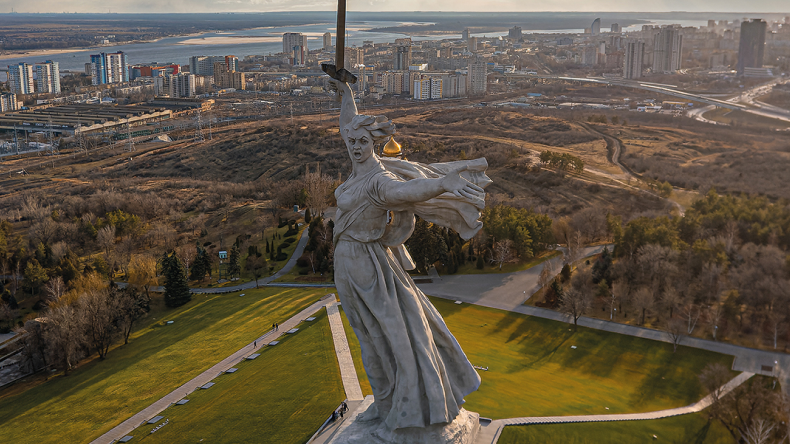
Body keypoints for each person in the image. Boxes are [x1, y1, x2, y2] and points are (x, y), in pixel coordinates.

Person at [327, 80, 488, 432]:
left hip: (369, 264)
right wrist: (346, 94)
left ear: (374, 146)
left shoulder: (378, 180)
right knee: (367, 336)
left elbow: (407, 191)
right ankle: (384, 402)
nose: (355, 147)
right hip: (346, 262)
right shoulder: (357, 167)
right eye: (352, 142)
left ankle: (410, 406)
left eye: (363, 142)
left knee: (393, 333)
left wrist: (443, 184)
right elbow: (347, 124)